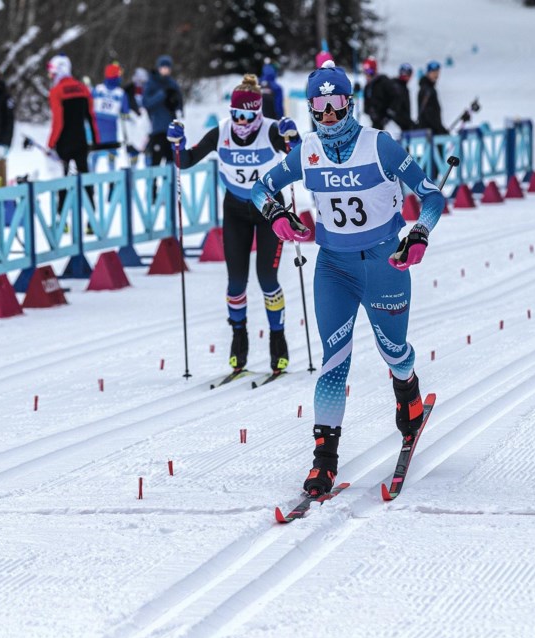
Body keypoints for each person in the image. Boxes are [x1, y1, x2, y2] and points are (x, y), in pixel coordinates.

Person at [250, 60, 445, 497]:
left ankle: (408, 394)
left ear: (350, 103)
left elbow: (432, 194)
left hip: (383, 262)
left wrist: (419, 235)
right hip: (333, 267)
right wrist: (277, 215)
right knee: (334, 361)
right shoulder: (307, 151)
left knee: (394, 351)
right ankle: (324, 460)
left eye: (336, 105)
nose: (328, 117)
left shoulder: (381, 146)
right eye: (319, 108)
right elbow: (258, 188)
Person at [167, 75, 297, 374]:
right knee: (236, 282)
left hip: (269, 210)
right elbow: (185, 161)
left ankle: (278, 339)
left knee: (267, 279)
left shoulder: (270, 130)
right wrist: (177, 143)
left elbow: (298, 154)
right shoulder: (221, 132)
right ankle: (239, 339)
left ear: (258, 114)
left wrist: (293, 136)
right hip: (235, 210)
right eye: (236, 114)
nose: (240, 121)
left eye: (247, 116)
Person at [46, 53, 100, 211]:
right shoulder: (83, 88)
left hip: (64, 143)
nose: (50, 76)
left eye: (51, 72)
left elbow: (58, 121)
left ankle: (63, 219)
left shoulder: (56, 91)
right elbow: (91, 116)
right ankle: (91, 219)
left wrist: (51, 143)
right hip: (81, 141)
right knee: (85, 178)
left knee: (63, 180)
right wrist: (96, 139)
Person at [144, 55, 183, 167]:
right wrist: (162, 95)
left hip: (170, 128)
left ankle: (170, 184)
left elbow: (179, 103)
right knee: (155, 161)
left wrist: (174, 102)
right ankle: (153, 184)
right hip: (156, 128)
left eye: (167, 68)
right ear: (158, 68)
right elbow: (146, 102)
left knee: (171, 160)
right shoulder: (151, 82)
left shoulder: (172, 83)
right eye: (163, 68)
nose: (165, 71)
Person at [91, 62, 131, 170]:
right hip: (111, 129)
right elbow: (126, 112)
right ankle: (112, 180)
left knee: (94, 153)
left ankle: (89, 178)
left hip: (96, 127)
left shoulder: (98, 89)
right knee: (111, 155)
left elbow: (89, 104)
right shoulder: (120, 93)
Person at [363, 58, 416, 134]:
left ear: (375, 71)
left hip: (390, 123)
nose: (367, 75)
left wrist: (389, 114)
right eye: (365, 72)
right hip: (376, 125)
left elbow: (396, 98)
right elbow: (366, 107)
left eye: (370, 72)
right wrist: (371, 112)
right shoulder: (367, 87)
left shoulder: (384, 82)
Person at [122, 68, 150, 165]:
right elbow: (123, 108)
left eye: (142, 80)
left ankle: (150, 178)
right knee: (133, 155)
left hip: (146, 129)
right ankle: (132, 177)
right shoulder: (127, 90)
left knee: (148, 153)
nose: (140, 82)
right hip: (132, 128)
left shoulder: (149, 90)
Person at [416, 60, 449, 135]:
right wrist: (439, 129)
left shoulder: (430, 88)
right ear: (428, 73)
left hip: (433, 130)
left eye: (437, 72)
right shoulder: (426, 89)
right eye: (433, 72)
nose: (436, 75)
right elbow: (428, 113)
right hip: (429, 132)